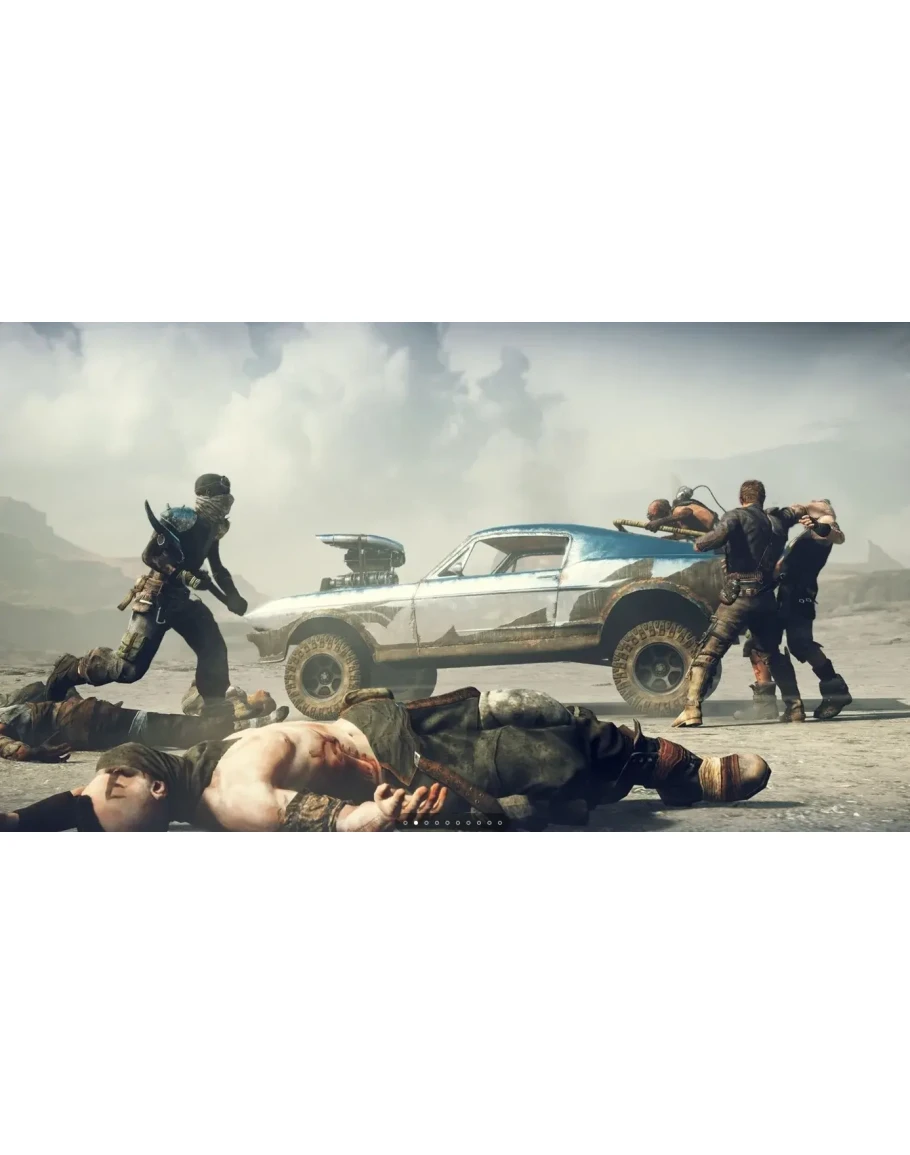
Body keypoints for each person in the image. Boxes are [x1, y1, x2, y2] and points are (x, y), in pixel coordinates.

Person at [1, 684, 772, 831]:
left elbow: (78, 795)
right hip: (411, 767)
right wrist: (363, 818)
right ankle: (681, 774)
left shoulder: (190, 758)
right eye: (113, 787)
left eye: (112, 774)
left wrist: (19, 820)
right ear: (150, 793)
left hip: (393, 720)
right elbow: (314, 820)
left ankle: (646, 770)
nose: (111, 777)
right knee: (548, 755)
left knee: (530, 704)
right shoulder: (225, 794)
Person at [44, 474, 248, 720]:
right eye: (221, 497)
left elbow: (218, 568)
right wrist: (183, 574)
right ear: (207, 496)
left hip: (182, 601)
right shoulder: (182, 520)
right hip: (156, 598)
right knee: (128, 669)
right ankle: (71, 669)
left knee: (213, 648)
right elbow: (150, 555)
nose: (226, 502)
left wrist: (233, 596)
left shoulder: (213, 528)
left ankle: (214, 708)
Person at [672, 480, 826, 728]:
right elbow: (797, 510)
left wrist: (699, 543)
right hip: (765, 599)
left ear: (741, 498)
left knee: (709, 652)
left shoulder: (735, 516)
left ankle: (691, 709)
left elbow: (713, 539)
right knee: (772, 654)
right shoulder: (778, 520)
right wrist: (807, 512)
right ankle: (795, 707)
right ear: (761, 498)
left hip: (738, 598)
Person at [0, 679, 287, 763]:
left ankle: (249, 724)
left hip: (92, 719)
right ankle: (254, 727)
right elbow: (13, 748)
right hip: (93, 723)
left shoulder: (10, 708)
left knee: (171, 727)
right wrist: (36, 752)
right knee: (173, 729)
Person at [768, 500, 851, 721]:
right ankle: (780, 702)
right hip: (786, 593)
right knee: (769, 643)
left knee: (801, 644)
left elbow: (835, 536)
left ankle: (836, 692)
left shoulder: (823, 528)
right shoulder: (806, 533)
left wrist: (817, 525)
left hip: (800, 594)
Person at [645, 490, 719, 535]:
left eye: (652, 516)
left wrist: (659, 522)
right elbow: (679, 536)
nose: (652, 521)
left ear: (663, 513)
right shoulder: (680, 523)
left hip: (718, 530)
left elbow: (687, 513)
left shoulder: (677, 510)